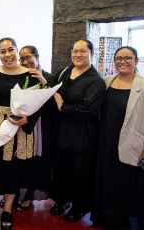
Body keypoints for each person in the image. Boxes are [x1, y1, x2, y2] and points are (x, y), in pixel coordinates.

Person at [92, 46, 144, 230]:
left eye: (127, 58)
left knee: (131, 190)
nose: (122, 62)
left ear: (136, 61)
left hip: (134, 147)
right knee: (108, 186)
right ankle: (108, 222)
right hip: (106, 144)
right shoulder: (106, 82)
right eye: (118, 58)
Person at [0, 38, 40, 230]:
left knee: (13, 172)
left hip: (19, 130)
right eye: (2, 51)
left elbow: (39, 104)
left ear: (17, 50)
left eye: (11, 49)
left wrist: (28, 119)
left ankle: (8, 210)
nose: (7, 54)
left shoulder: (31, 75)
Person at [49, 39, 106, 222]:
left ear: (91, 54)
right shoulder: (66, 71)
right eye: (75, 51)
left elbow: (89, 111)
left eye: (83, 51)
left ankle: (79, 207)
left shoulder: (96, 81)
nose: (78, 55)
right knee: (61, 169)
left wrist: (62, 105)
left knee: (79, 172)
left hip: (82, 135)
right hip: (61, 131)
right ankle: (61, 200)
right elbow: (51, 84)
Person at [15, 45, 56, 210]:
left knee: (35, 163)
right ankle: (15, 193)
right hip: (20, 125)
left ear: (37, 57)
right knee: (18, 162)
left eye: (28, 57)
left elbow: (54, 104)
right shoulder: (20, 76)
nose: (25, 61)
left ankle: (29, 195)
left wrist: (43, 81)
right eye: (22, 58)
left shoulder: (49, 77)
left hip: (39, 127)